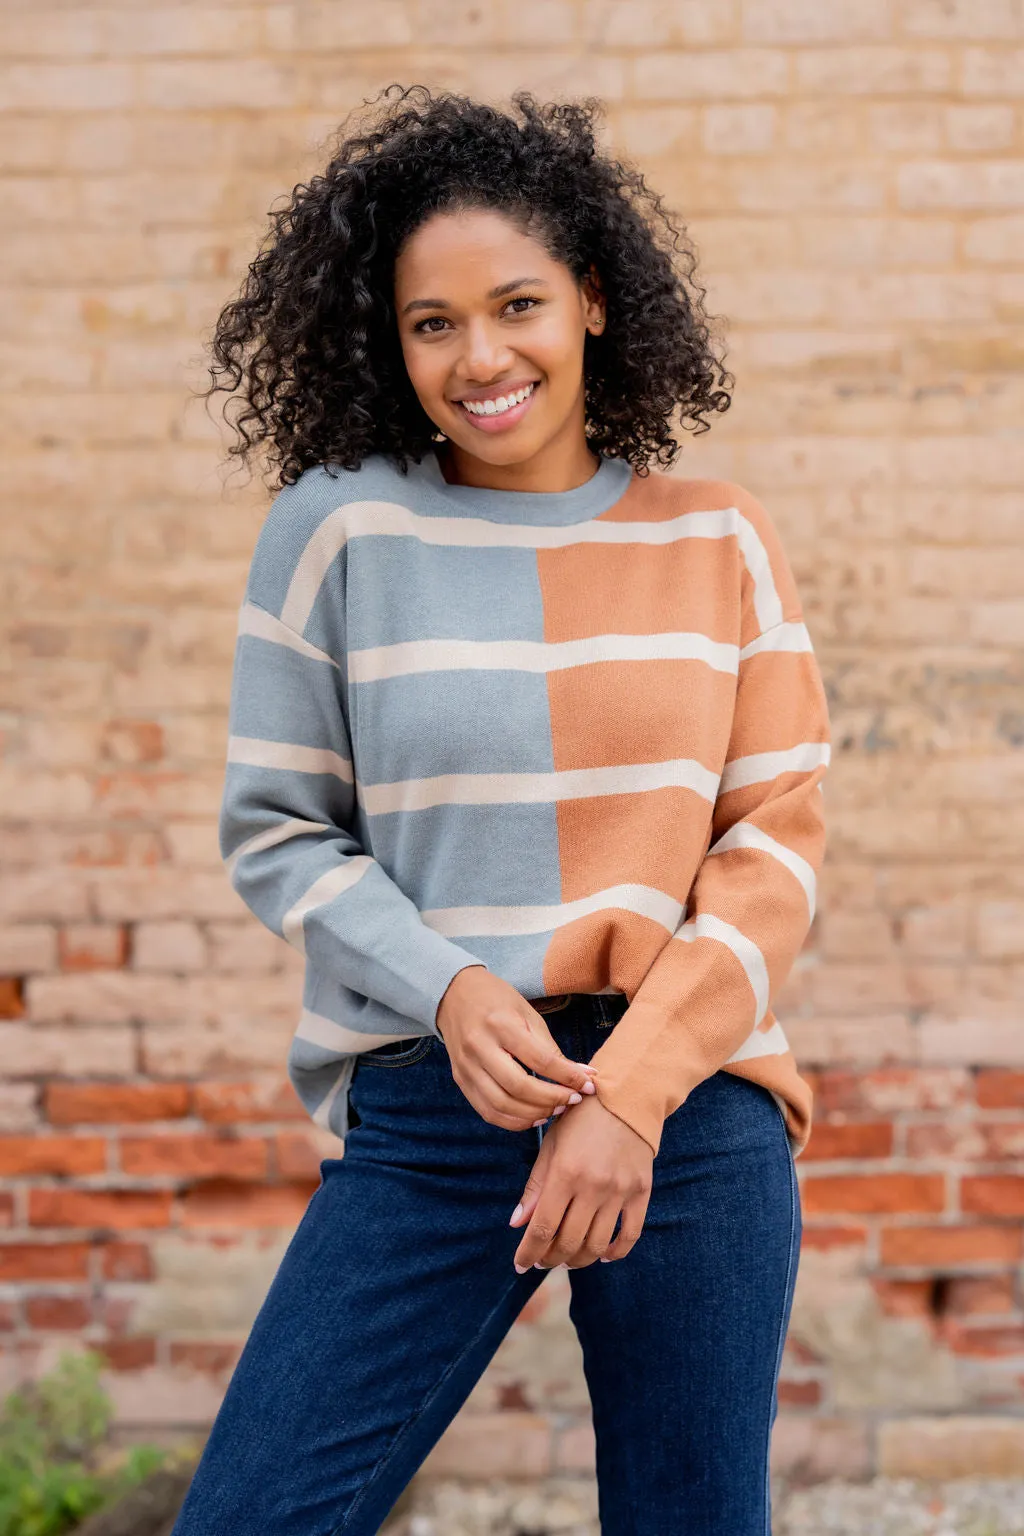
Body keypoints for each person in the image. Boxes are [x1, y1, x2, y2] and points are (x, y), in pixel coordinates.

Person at [171, 84, 829, 1536]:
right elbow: (281, 830)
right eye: (432, 324)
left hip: (687, 1114)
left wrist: (637, 1094)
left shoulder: (721, 539)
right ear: (386, 338)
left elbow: (774, 850)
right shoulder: (338, 527)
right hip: (433, 1097)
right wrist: (451, 986)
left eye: (517, 304)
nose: (480, 358)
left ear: (593, 300)